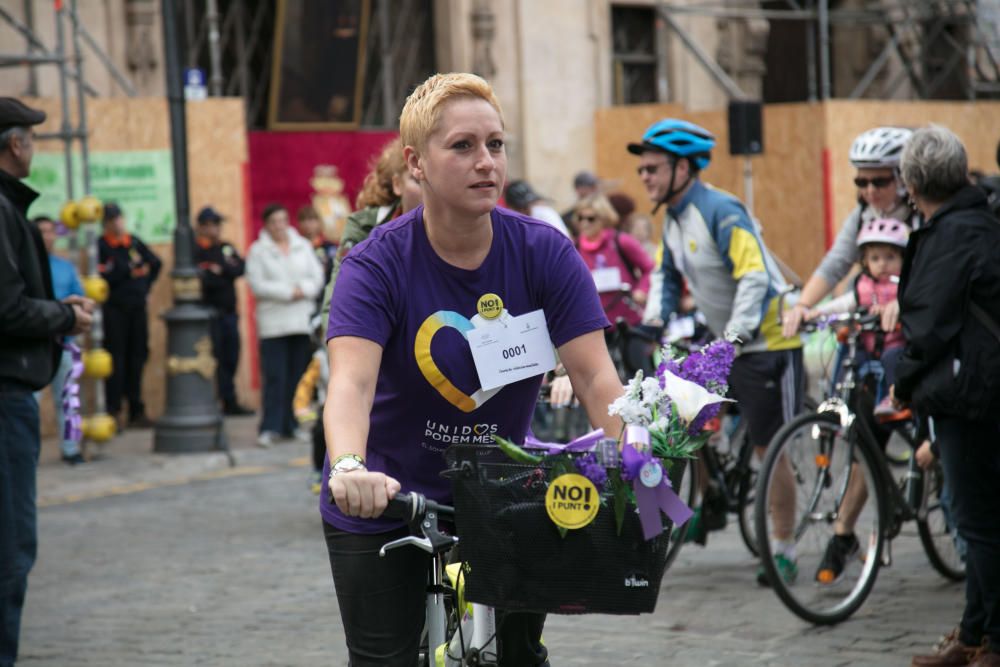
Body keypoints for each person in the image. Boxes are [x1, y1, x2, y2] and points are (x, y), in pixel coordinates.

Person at [321, 72, 624, 666]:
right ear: (417, 163)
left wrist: (633, 457)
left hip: (503, 493)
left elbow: (594, 378)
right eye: (462, 146)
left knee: (517, 656)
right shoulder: (374, 264)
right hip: (385, 498)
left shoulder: (544, 252)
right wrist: (350, 467)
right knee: (384, 659)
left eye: (495, 144)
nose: (485, 162)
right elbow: (350, 384)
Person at [631, 118, 804, 585]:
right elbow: (666, 279)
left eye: (652, 168)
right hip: (722, 340)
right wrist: (651, 322)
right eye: (641, 169)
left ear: (683, 167)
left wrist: (736, 336)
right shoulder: (673, 218)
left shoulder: (720, 211)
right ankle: (709, 500)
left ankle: (783, 546)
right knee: (681, 424)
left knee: (773, 449)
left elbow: (755, 278)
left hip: (766, 341)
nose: (644, 176)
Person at [895, 126, 1000, 667]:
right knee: (978, 515)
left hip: (970, 393)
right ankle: (974, 633)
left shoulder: (951, 234)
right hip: (983, 386)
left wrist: (901, 379)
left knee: (977, 519)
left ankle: (993, 640)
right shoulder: (981, 220)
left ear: (912, 182)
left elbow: (927, 327)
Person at [0, 97, 94, 667]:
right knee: (11, 550)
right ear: (16, 145)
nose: (32, 147)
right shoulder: (4, 210)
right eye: (30, 138)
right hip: (5, 394)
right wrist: (65, 316)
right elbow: (8, 309)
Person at [782, 126, 916, 340]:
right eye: (861, 182)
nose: (870, 190)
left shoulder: (920, 215)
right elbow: (836, 263)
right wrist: (803, 306)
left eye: (880, 182)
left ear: (901, 178)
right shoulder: (862, 215)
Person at [807, 217, 909, 417]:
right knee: (848, 356)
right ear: (865, 261)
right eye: (875, 258)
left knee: (893, 360)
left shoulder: (904, 286)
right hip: (868, 346)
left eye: (890, 257)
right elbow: (845, 303)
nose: (882, 264)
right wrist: (819, 312)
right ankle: (836, 400)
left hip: (895, 345)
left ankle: (896, 399)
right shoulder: (863, 285)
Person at [245, 203, 324, 448]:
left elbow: (318, 276)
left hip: (301, 321)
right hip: (274, 323)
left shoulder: (302, 245)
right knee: (275, 377)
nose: (279, 226)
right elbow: (257, 284)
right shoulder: (258, 251)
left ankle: (292, 424)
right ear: (266, 225)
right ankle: (270, 426)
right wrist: (290, 292)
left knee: (297, 376)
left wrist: (305, 290)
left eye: (282, 220)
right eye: (274, 222)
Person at [98, 202, 162, 429]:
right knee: (116, 358)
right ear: (105, 223)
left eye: (119, 218)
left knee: (138, 356)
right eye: (112, 219)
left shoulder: (132, 242)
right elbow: (107, 275)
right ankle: (114, 410)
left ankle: (136, 409)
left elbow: (155, 263)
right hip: (115, 311)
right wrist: (129, 269)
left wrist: (145, 286)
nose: (117, 223)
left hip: (137, 309)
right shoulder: (102, 246)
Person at [33, 215, 86, 463]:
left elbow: (80, 299)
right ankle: (26, 451)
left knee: (67, 397)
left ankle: (70, 449)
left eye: (50, 231)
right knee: (28, 401)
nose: (47, 236)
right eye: (41, 231)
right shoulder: (23, 268)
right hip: (31, 344)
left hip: (62, 343)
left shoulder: (65, 267)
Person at [193, 205, 253, 416]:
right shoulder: (195, 251)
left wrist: (221, 270)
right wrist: (220, 273)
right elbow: (204, 281)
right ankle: (215, 400)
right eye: (212, 225)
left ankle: (230, 400)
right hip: (209, 314)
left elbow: (240, 268)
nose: (217, 229)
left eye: (218, 224)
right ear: (202, 227)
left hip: (229, 313)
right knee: (213, 359)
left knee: (231, 356)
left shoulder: (225, 248)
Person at [571, 193, 652, 327]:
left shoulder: (621, 241)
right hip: (595, 325)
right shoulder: (574, 249)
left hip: (629, 322)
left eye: (590, 218)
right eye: (580, 218)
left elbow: (649, 268)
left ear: (603, 218)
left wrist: (642, 290)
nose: (584, 223)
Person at [296, 204, 337, 307]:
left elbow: (335, 273)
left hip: (325, 299)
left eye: (311, 219)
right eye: (303, 220)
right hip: (301, 299)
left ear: (319, 222)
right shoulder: (295, 247)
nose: (307, 224)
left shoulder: (329, 248)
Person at [503, 179, 572, 237]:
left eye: (526, 206)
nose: (525, 210)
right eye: (520, 207)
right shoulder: (516, 222)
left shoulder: (543, 215)